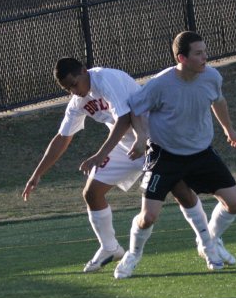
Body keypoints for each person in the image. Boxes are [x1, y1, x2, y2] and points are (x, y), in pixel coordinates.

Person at [23, 57, 224, 274]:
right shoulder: (78, 100)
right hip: (124, 145)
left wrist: (100, 155)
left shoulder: (105, 79)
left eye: (74, 84)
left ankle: (207, 243)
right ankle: (110, 247)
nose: (73, 91)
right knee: (92, 192)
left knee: (181, 191)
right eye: (67, 89)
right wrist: (37, 174)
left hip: (153, 137)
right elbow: (62, 138)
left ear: (84, 70)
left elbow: (125, 119)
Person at [81, 31, 236, 279]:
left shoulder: (212, 76)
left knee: (235, 203)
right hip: (164, 156)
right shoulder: (160, 83)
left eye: (205, 52)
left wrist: (228, 128)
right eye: (198, 53)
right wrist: (141, 138)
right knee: (149, 216)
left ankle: (209, 241)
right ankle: (132, 256)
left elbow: (218, 100)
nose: (205, 58)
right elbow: (135, 108)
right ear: (182, 57)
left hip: (201, 153)